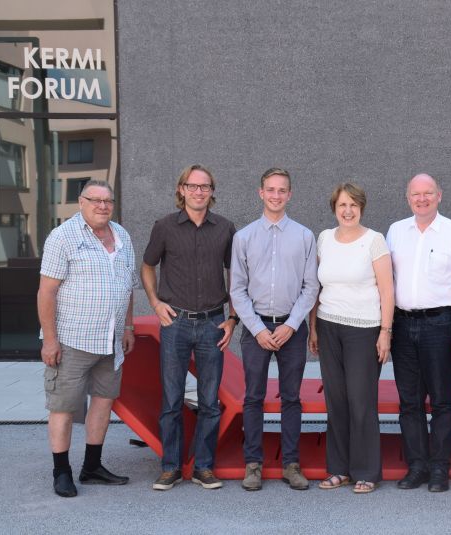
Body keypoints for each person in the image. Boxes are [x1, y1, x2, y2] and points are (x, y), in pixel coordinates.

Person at [38, 179, 137, 498]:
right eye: (94, 199)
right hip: (72, 340)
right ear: (80, 202)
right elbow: (46, 292)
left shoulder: (122, 235)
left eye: (107, 200)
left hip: (110, 342)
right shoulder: (63, 237)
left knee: (103, 403)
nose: (102, 205)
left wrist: (128, 327)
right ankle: (61, 471)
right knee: (64, 407)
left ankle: (92, 467)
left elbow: (128, 287)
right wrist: (50, 340)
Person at [141, 164, 237, 491]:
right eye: (193, 186)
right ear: (181, 189)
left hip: (212, 323)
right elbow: (147, 265)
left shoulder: (225, 228)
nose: (199, 192)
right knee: (171, 399)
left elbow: (235, 275)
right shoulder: (165, 227)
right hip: (176, 323)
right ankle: (169, 466)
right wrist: (155, 303)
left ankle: (204, 467)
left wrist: (233, 318)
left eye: (205, 186)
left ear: (212, 191)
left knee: (210, 400)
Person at [230, 167, 320, 491]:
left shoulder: (304, 236)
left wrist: (292, 325)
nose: (276, 195)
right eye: (271, 189)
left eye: (282, 190)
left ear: (290, 194)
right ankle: (252, 464)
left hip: (290, 329)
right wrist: (256, 328)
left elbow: (311, 287)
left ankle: (291, 464)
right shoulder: (244, 237)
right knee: (253, 397)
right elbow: (237, 289)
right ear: (261, 192)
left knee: (291, 398)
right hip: (256, 328)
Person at [386, 173, 451, 493]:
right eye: (415, 194)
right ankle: (417, 466)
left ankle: (440, 468)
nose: (421, 199)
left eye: (427, 193)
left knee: (441, 400)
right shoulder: (395, 232)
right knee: (409, 402)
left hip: (440, 325)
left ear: (439, 195)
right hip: (402, 324)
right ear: (407, 197)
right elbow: (386, 282)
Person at [308, 183, 394, 494]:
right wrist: (314, 327)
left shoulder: (374, 241)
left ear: (361, 208)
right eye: (343, 205)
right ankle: (339, 469)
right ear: (334, 207)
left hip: (364, 329)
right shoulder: (324, 239)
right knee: (337, 402)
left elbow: (387, 290)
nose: (348, 211)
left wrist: (386, 332)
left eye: (353, 205)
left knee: (361, 402)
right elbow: (316, 288)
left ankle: (367, 470)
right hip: (330, 327)